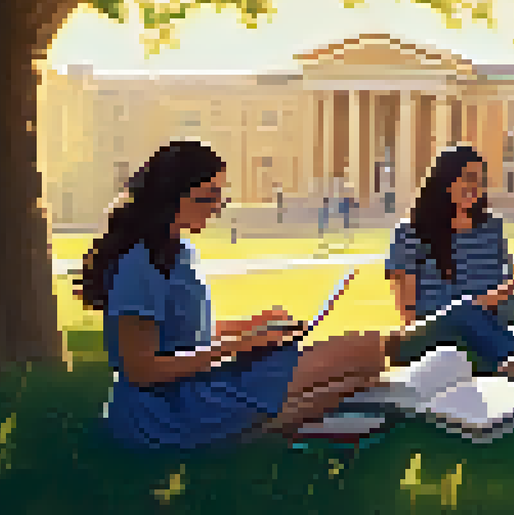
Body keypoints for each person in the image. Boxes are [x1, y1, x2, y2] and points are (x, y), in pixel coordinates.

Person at [75, 140, 390, 451]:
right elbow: (142, 369)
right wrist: (242, 345)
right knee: (365, 350)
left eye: (220, 197)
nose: (217, 207)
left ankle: (274, 431)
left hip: (195, 386)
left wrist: (256, 325)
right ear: (173, 197)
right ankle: (251, 435)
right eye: (208, 197)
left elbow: (184, 333)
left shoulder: (181, 251)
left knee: (362, 371)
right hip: (164, 408)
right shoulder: (140, 262)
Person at [385, 144, 514, 380]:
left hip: (487, 324)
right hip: (430, 331)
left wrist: (512, 289)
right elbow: (409, 314)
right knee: (464, 309)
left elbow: (498, 292)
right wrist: (479, 304)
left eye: (480, 181)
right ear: (445, 181)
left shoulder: (492, 227)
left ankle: (508, 363)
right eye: (467, 178)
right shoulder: (410, 231)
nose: (475, 187)